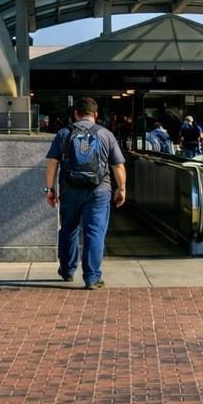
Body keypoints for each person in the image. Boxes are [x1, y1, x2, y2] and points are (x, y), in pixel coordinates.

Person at [44, 97, 126, 289]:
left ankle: (67, 270)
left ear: (75, 114)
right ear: (95, 115)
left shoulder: (64, 133)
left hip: (69, 189)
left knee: (68, 229)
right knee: (94, 232)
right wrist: (121, 188)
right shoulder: (106, 134)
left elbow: (52, 164)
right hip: (99, 190)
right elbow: (118, 165)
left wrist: (49, 190)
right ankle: (92, 277)